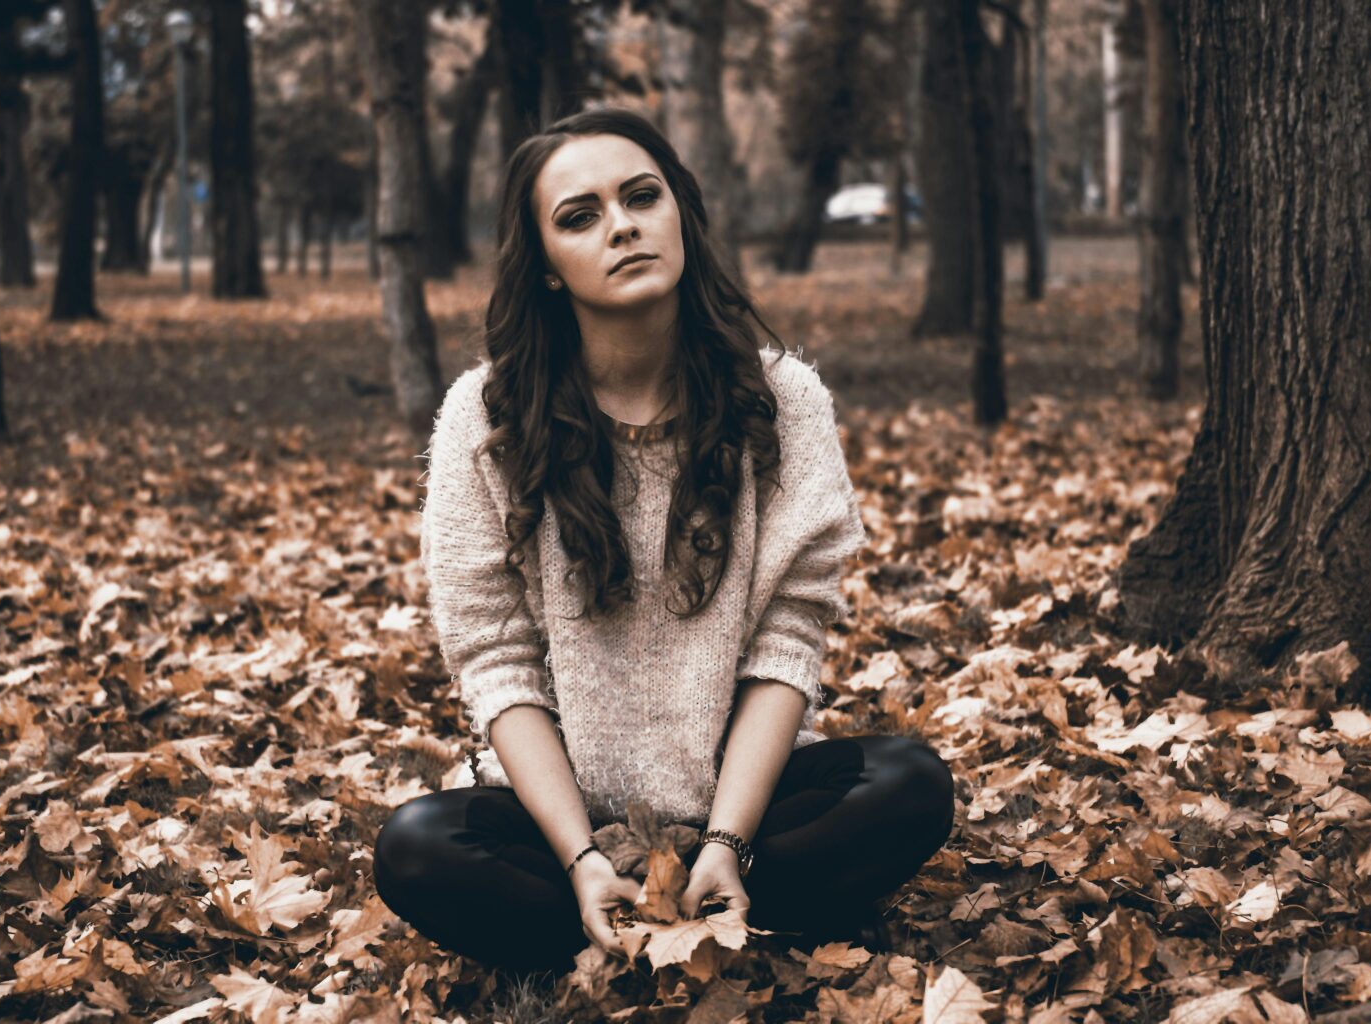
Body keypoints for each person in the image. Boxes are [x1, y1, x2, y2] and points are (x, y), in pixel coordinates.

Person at [372, 106, 955, 977]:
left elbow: (788, 642)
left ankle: (719, 898)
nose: (622, 225)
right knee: (415, 848)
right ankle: (636, 919)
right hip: (563, 826)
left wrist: (725, 839)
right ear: (548, 270)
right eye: (580, 215)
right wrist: (581, 860)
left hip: (752, 812)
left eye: (642, 197)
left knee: (911, 784)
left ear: (680, 213)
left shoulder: (784, 401)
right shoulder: (484, 419)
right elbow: (495, 663)